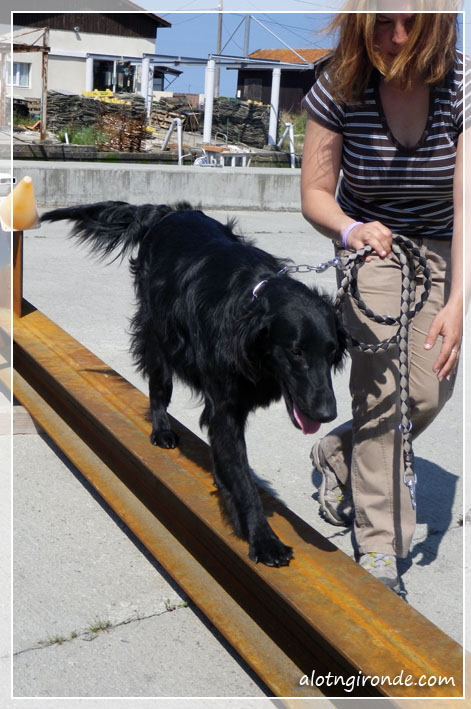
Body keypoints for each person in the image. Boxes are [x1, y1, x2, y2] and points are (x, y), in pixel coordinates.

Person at [301, 12, 463, 592]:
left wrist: (457, 302)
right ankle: (379, 548)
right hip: (373, 246)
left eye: (409, 22)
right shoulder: (339, 83)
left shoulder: (461, 84)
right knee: (383, 389)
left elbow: (468, 205)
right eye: (382, 22)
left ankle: (340, 452)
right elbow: (315, 193)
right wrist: (351, 230)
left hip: (442, 249)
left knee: (427, 391)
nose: (395, 37)